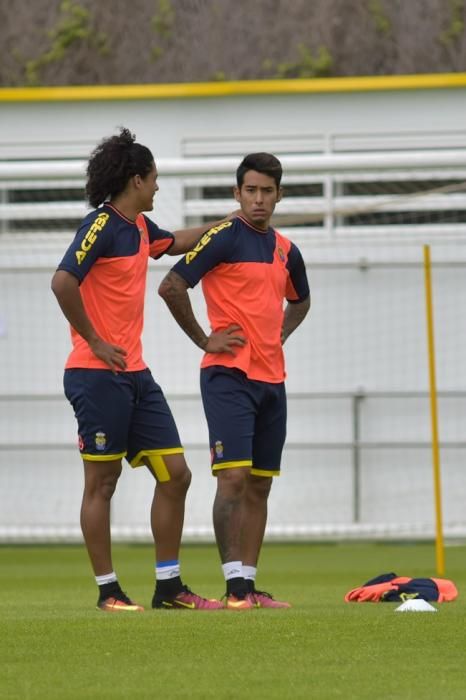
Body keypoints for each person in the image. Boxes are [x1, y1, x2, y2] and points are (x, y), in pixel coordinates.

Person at [51, 127, 227, 612]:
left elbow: (176, 242)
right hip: (95, 373)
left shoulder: (140, 230)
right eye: (154, 179)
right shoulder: (100, 226)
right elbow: (62, 281)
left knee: (176, 474)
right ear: (135, 180)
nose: (157, 187)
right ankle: (109, 591)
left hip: (136, 376)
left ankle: (168, 588)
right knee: (101, 485)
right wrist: (95, 340)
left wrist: (226, 225)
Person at [158, 152, 311, 610]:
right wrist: (205, 339)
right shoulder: (222, 236)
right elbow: (171, 285)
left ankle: (248, 583)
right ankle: (234, 588)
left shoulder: (287, 249)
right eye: (251, 190)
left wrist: (278, 334)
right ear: (237, 194)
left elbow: (300, 301)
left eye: (267, 191)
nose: (259, 199)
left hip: (272, 380)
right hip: (228, 376)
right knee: (234, 480)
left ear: (279, 195)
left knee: (260, 483)